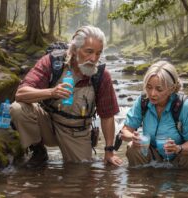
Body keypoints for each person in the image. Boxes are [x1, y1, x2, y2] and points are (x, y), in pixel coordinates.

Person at [10, 25, 122, 168]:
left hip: (77, 133)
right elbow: (20, 94)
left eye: (98, 53)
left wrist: (109, 151)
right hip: (48, 125)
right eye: (89, 52)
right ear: (75, 50)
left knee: (82, 174)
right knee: (18, 109)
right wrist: (51, 92)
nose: (93, 58)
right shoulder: (52, 63)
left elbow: (107, 116)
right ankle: (38, 151)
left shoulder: (101, 76)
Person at [120, 61, 188, 169]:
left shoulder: (185, 106)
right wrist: (133, 137)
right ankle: (141, 183)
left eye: (159, 89)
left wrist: (178, 148)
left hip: (181, 155)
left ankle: (185, 182)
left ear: (172, 88)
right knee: (133, 148)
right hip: (154, 154)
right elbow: (125, 131)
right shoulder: (143, 101)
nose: (152, 93)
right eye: (149, 87)